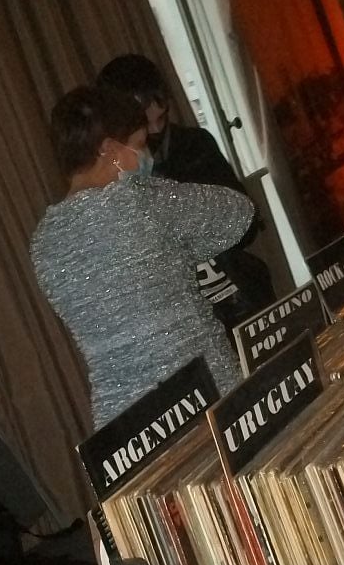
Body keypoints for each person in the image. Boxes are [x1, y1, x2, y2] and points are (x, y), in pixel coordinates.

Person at [31, 85, 254, 428]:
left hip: (126, 418)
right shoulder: (140, 200)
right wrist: (181, 252)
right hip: (203, 389)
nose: (147, 154)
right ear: (110, 150)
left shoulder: (44, 241)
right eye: (139, 145)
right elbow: (238, 213)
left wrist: (172, 254)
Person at [98, 55, 275, 327]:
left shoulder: (195, 144)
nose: (157, 129)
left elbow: (247, 223)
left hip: (240, 292)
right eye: (146, 126)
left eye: (162, 118)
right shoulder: (114, 178)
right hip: (183, 318)